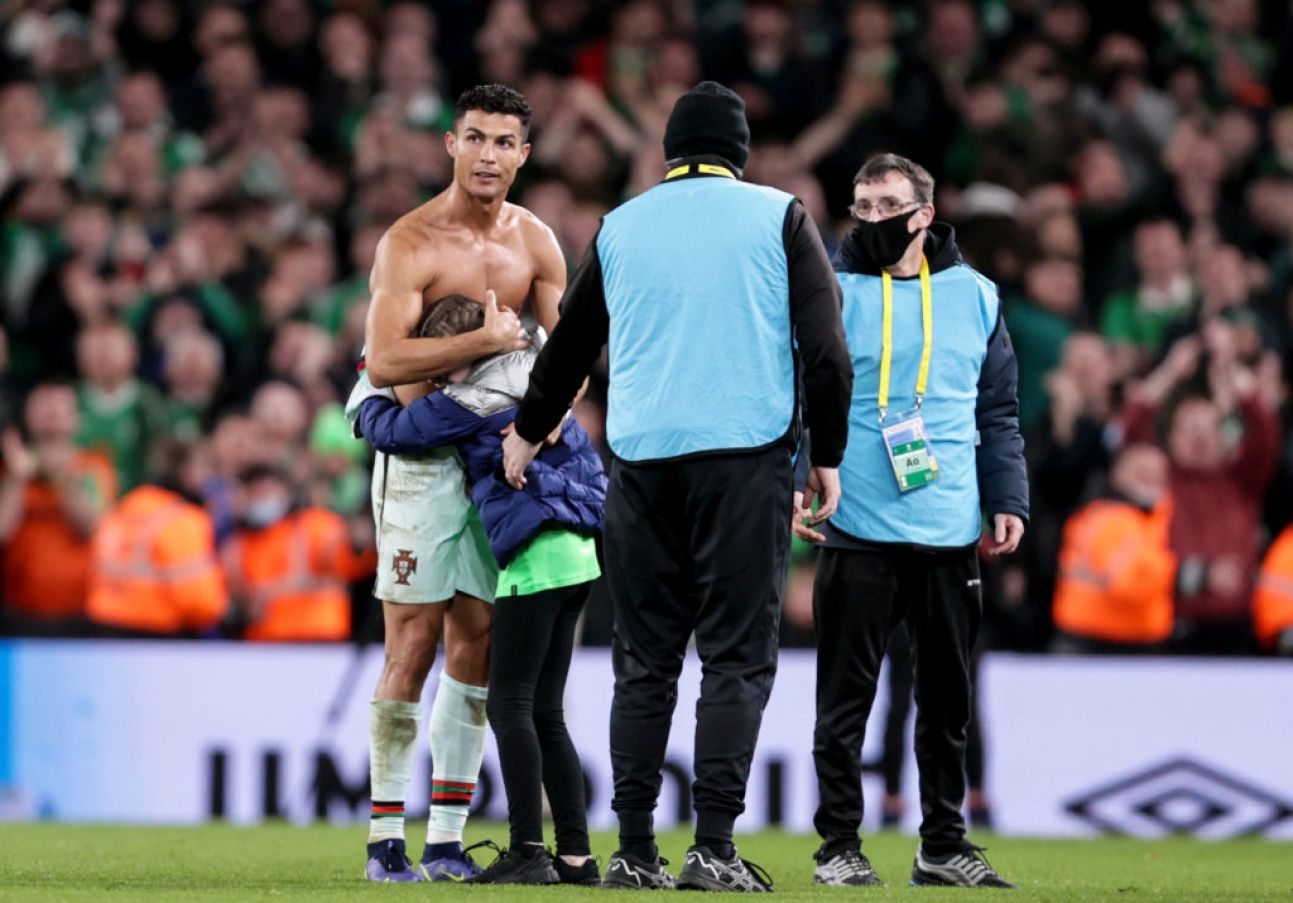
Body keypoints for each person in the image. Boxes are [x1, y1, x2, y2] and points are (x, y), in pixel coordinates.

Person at [503, 81, 853, 893]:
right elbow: (827, 351)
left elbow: (570, 345)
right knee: (734, 655)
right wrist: (825, 455)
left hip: (642, 463)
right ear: (739, 151)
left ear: (668, 151)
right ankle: (714, 848)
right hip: (744, 460)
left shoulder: (620, 227)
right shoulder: (779, 215)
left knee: (646, 659)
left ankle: (632, 848)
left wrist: (527, 429)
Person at [342, 84, 568, 884]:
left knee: (475, 642)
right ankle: (382, 842)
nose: (489, 156)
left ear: (523, 154)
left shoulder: (537, 243)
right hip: (418, 471)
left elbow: (567, 363)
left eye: (505, 142)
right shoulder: (411, 242)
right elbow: (385, 360)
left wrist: (532, 429)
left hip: (495, 469)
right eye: (475, 138)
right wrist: (482, 337)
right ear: (450, 144)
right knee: (410, 644)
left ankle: (442, 841)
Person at [804, 153, 1025, 888]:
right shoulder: (828, 292)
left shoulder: (977, 296)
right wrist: (796, 483)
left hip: (949, 525)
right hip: (856, 522)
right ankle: (838, 845)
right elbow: (796, 396)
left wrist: (1007, 498)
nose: (871, 218)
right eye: (861, 206)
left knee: (946, 706)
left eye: (887, 205)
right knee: (845, 703)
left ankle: (942, 842)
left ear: (924, 214)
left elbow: (996, 409)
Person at [357, 294, 606, 886]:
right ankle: (576, 855)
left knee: (509, 705)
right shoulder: (542, 375)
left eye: (446, 366)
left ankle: (527, 850)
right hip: (581, 555)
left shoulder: (471, 400)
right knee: (547, 712)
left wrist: (369, 385)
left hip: (534, 557)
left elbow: (395, 429)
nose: (439, 378)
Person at [1, 383, 116, 632]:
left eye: (60, 409)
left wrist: (66, 479)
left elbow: (92, 528)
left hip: (81, 610)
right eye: (43, 408)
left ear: (77, 420)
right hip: (17, 610)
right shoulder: (9, 470)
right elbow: (2, 532)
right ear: (27, 417)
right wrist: (17, 477)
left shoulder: (94, 466)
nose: (52, 416)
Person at [85, 439, 226, 636]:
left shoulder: (127, 506)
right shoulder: (183, 519)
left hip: (103, 627)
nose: (208, 477)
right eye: (203, 467)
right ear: (185, 470)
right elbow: (198, 599)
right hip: (155, 635)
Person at [224, 465, 376, 642]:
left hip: (319, 636)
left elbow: (346, 559)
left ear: (285, 492)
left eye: (267, 490)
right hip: (266, 641)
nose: (261, 497)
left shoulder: (314, 525)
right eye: (255, 492)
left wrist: (360, 543)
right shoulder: (239, 544)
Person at [1051, 444, 1177, 652]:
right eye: (1142, 472)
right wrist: (1187, 575)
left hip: (1136, 637)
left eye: (1158, 474)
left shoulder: (1156, 518)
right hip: (1094, 639)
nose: (1152, 480)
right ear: (1117, 474)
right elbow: (1128, 582)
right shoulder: (1108, 519)